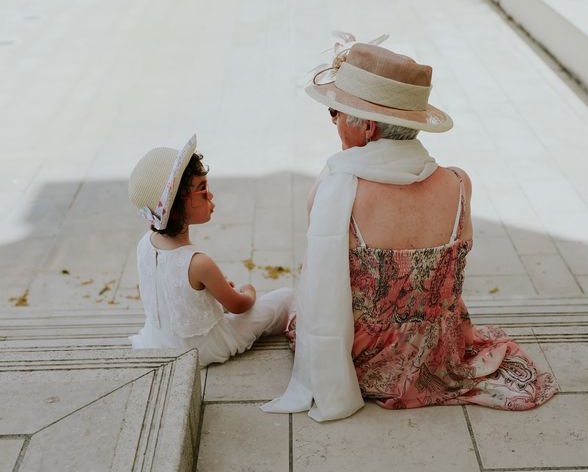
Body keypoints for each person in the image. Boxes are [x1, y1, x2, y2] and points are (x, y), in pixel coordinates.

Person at [263, 42, 558, 421]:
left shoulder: (337, 190)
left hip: (366, 364)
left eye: (336, 112)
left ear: (367, 126)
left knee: (290, 301)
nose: (333, 120)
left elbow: (321, 288)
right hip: (440, 357)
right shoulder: (458, 183)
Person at [127, 135, 292, 366]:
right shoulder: (198, 263)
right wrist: (249, 291)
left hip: (159, 341)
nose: (211, 195)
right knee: (285, 298)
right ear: (175, 210)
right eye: (202, 189)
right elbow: (239, 306)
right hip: (204, 348)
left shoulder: (145, 243)